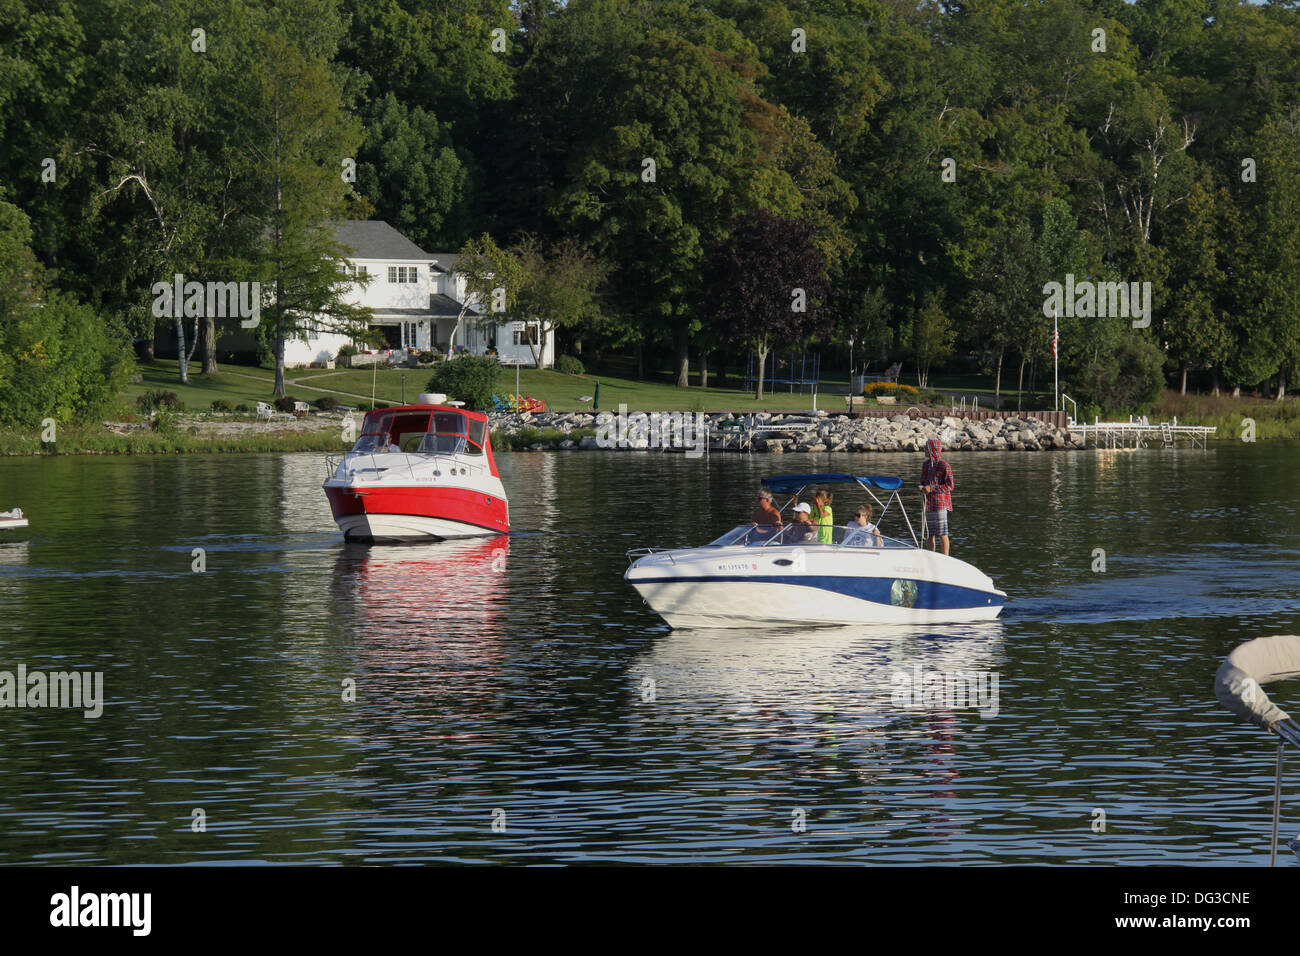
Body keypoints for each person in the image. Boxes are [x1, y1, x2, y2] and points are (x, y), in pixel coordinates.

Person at [919, 438, 953, 555]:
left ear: (932, 450)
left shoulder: (944, 465)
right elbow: (923, 481)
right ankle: (931, 556)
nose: (924, 450)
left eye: (926, 448)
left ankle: (945, 557)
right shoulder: (925, 465)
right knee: (929, 533)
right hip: (928, 503)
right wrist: (922, 487)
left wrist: (932, 488)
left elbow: (950, 485)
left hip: (940, 504)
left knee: (942, 533)